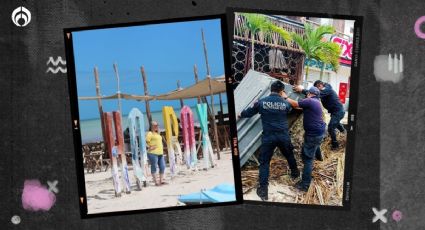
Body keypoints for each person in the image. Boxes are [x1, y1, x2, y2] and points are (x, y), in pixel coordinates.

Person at [238, 80, 299, 201]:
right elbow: (289, 109)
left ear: (271, 89)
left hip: (269, 137)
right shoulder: (285, 103)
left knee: (264, 162)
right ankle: (295, 174)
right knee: (289, 155)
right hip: (283, 135)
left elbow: (249, 112)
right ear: (282, 91)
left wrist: (241, 114)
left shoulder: (261, 102)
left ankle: (263, 191)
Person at [284, 87, 326, 192]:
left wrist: (284, 97)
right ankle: (319, 159)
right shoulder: (316, 101)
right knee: (310, 150)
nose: (306, 95)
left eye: (307, 93)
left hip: (313, 134)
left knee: (307, 159)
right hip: (318, 133)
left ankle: (305, 184)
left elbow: (295, 104)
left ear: (310, 94)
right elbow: (301, 108)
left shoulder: (310, 101)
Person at [294, 80, 345, 149]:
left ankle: (335, 145)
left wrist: (302, 90)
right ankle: (344, 133)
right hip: (334, 112)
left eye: (316, 89)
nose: (316, 91)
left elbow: (315, 94)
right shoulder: (324, 90)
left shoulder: (327, 89)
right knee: (335, 123)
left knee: (331, 127)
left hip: (338, 111)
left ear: (320, 85)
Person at [146, 121, 166, 186]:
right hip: (153, 153)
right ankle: (156, 182)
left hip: (160, 153)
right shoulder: (150, 133)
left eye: (157, 125)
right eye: (155, 125)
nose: (157, 126)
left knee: (162, 166)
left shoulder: (157, 134)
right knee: (154, 166)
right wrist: (150, 147)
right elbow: (146, 141)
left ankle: (161, 180)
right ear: (151, 126)